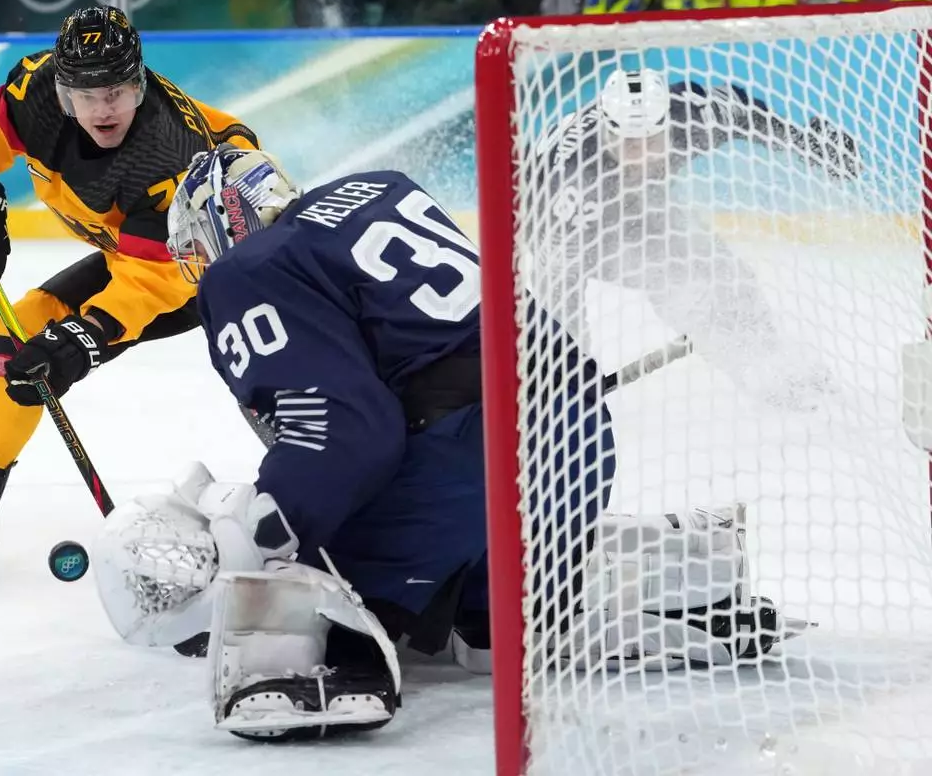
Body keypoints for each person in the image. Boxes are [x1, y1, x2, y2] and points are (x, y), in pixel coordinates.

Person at [85, 146, 792, 743]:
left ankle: (344, 663)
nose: (202, 267)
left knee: (312, 595)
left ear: (224, 217)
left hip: (468, 458)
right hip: (579, 439)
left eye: (197, 250)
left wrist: (271, 532)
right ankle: (655, 590)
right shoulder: (379, 191)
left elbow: (345, 432)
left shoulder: (252, 266)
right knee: (481, 640)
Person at [0, 6, 259, 581]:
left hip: (216, 258)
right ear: (61, 89)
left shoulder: (171, 157)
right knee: (26, 325)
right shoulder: (33, 94)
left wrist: (88, 337)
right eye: (88, 93)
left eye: (121, 90)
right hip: (139, 251)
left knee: (270, 378)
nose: (105, 109)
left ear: (141, 81)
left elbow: (155, 280)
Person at [531, 68, 859, 410]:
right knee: (683, 291)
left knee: (728, 273)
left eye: (651, 143)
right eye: (630, 145)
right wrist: (570, 365)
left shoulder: (689, 115)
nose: (643, 155)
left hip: (643, 202)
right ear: (608, 135)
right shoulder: (573, 186)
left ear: (666, 126)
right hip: (575, 230)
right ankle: (754, 373)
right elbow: (558, 286)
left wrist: (806, 144)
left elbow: (745, 112)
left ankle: (773, 357)